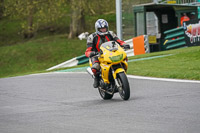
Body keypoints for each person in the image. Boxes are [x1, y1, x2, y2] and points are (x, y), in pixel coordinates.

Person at [85, 19, 130, 88]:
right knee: (95, 67)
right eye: (101, 29)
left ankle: (121, 74)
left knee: (123, 58)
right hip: (98, 55)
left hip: (111, 52)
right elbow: (88, 50)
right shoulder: (92, 37)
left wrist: (124, 44)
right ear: (97, 29)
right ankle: (96, 78)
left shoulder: (111, 33)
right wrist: (91, 53)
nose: (103, 30)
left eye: (105, 28)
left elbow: (118, 41)